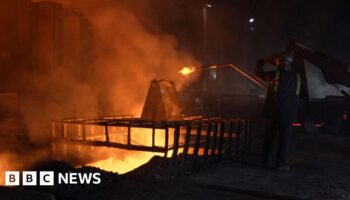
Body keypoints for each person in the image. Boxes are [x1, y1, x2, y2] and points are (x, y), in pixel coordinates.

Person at [256, 50, 302, 171]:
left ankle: (264, 161)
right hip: (289, 115)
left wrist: (260, 63)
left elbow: (258, 73)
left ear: (281, 63)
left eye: (277, 62)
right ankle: (281, 164)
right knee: (285, 140)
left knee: (269, 138)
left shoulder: (274, 75)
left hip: (274, 114)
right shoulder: (297, 77)